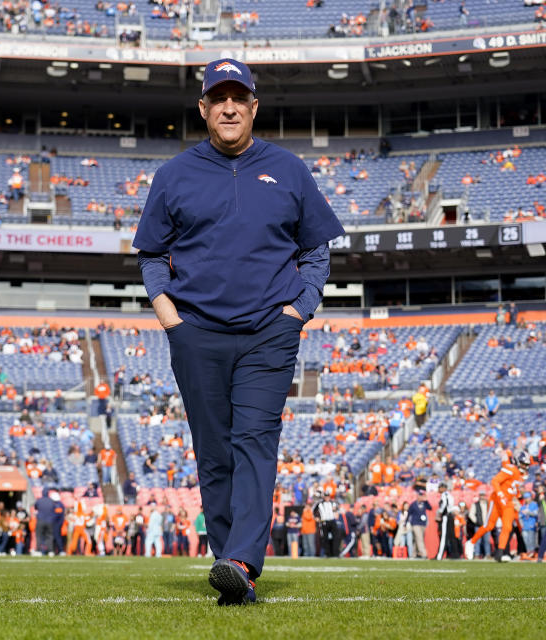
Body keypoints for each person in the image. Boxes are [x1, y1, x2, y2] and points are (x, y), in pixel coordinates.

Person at [133, 58, 343, 606]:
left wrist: (300, 309)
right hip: (195, 331)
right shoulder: (174, 174)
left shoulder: (290, 169)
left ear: (254, 106)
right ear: (203, 108)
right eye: (217, 98)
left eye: (238, 98)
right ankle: (232, 565)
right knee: (214, 452)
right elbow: (151, 254)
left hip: (268, 332)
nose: (229, 107)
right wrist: (167, 316)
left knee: (255, 441)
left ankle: (242, 560)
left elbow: (316, 250)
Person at [466, 452, 531, 562]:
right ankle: (471, 542)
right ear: (517, 462)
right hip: (497, 500)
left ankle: (499, 553)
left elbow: (513, 487)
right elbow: (495, 481)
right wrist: (500, 494)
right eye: (523, 464)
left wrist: (517, 495)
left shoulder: (521, 475)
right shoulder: (510, 469)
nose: (525, 467)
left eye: (526, 464)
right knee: (489, 525)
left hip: (508, 502)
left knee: (507, 527)